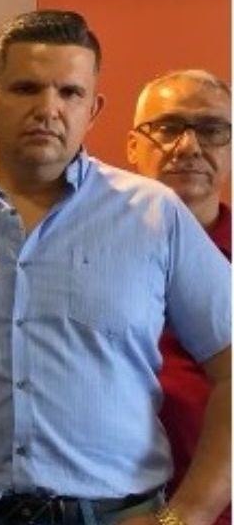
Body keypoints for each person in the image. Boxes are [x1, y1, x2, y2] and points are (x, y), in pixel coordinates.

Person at [0, 11, 232, 525]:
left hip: (116, 515)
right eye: (26, 88)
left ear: (93, 109)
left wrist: (188, 514)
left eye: (70, 92)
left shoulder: (154, 215)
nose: (48, 109)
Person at [127, 69, 232, 525]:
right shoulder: (88, 256)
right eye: (168, 127)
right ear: (133, 146)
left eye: (212, 130)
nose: (188, 146)